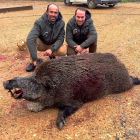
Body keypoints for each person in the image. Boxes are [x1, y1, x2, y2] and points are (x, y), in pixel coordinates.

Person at [26, 4, 66, 72]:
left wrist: (51, 49)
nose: (53, 14)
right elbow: (29, 39)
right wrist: (34, 58)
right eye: (51, 12)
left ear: (58, 13)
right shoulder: (39, 22)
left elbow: (61, 39)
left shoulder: (61, 23)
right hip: (42, 43)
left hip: (52, 44)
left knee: (63, 51)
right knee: (33, 40)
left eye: (55, 12)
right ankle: (32, 62)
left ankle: (51, 55)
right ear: (47, 12)